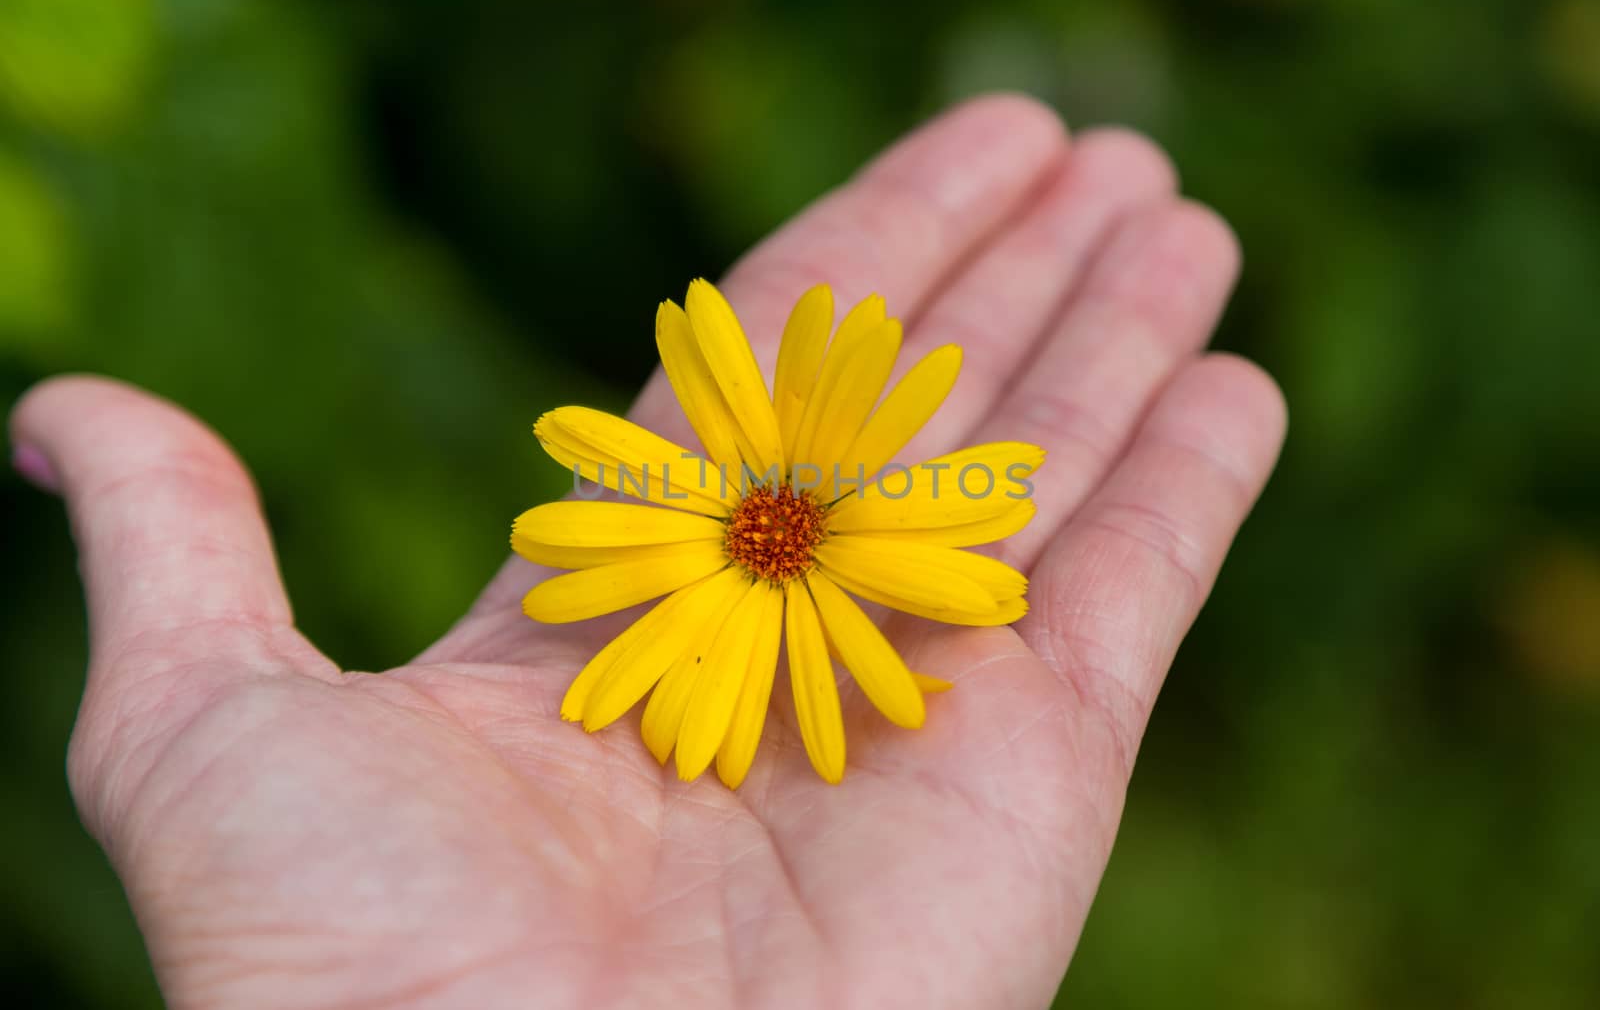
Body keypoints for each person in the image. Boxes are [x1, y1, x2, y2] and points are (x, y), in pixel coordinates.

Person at [7, 95, 1285, 1009]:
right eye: (768, 526)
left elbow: (916, 560)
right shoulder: (735, 533)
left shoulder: (814, 524)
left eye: (778, 527)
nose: (770, 531)